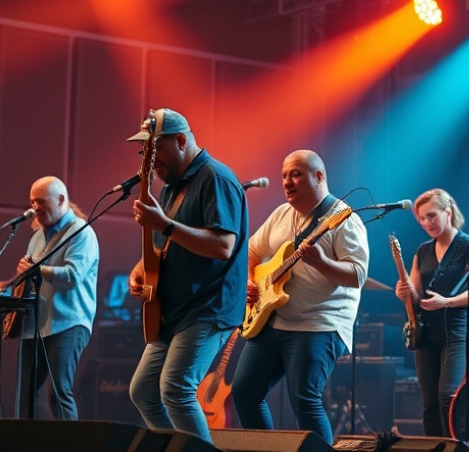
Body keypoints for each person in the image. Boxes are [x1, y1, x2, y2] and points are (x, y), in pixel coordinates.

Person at [126, 108, 249, 442]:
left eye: (155, 149)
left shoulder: (215, 178)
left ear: (181, 141)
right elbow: (165, 245)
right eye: (144, 152)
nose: (149, 161)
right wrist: (141, 272)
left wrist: (164, 223)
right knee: (143, 392)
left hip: (208, 307)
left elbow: (223, 246)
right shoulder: (170, 187)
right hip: (175, 309)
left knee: (176, 388)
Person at [231, 150, 368, 445]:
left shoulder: (343, 219)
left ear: (319, 177)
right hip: (272, 319)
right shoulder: (281, 214)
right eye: (283, 176)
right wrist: (250, 282)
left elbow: (358, 275)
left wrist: (321, 262)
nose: (287, 182)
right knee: (244, 393)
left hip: (319, 323)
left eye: (295, 174)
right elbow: (251, 253)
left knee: (304, 400)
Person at [0, 176, 98, 420]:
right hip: (35, 325)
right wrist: (9, 288)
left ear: (61, 200)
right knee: (24, 396)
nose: (35, 208)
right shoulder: (36, 237)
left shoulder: (81, 233)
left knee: (58, 392)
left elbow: (72, 276)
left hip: (68, 323)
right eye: (33, 202)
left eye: (41, 201)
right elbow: (30, 278)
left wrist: (36, 269)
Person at [394, 188, 469, 437]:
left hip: (457, 329)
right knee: (429, 403)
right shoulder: (422, 251)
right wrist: (403, 291)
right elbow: (414, 294)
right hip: (427, 332)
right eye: (422, 219)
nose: (426, 223)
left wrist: (446, 302)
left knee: (448, 396)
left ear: (448, 212)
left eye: (431, 216)